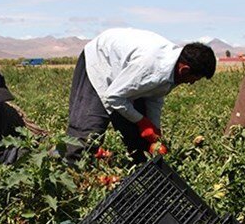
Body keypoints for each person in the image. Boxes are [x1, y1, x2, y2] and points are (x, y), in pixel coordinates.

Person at [64, 27, 217, 164]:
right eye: (195, 79)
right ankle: (66, 168)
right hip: (101, 59)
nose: (192, 84)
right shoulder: (150, 67)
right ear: (184, 70)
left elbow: (155, 98)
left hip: (125, 73)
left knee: (139, 139)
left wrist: (153, 129)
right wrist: (142, 121)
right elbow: (114, 97)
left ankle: (140, 169)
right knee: (88, 133)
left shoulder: (172, 70)